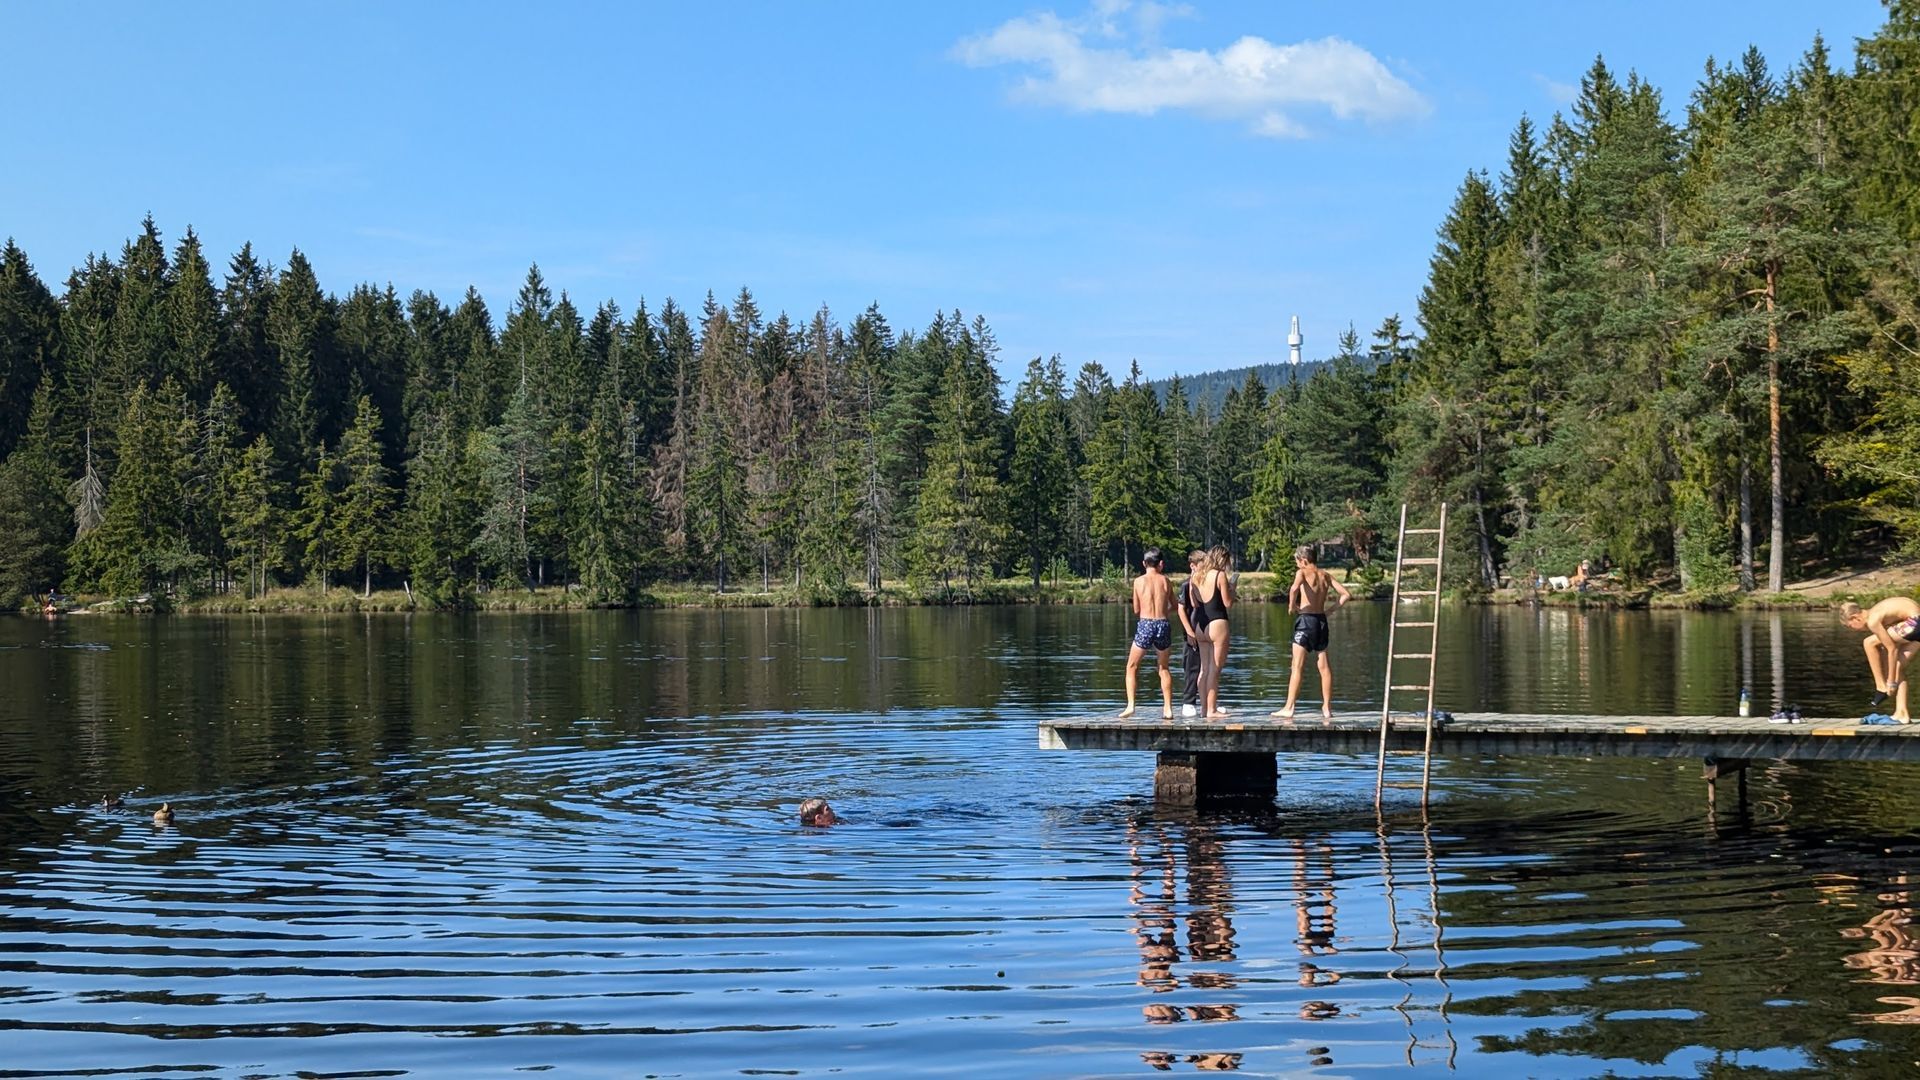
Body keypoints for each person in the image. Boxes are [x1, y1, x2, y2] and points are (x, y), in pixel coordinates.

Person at [1273, 545, 1352, 720]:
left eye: (1297, 561)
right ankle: (1327, 707)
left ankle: (1289, 707)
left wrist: (1292, 606)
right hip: (1321, 622)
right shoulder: (1326, 575)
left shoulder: (1302, 573)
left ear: (1303, 560)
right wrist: (1330, 611)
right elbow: (1346, 594)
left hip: (1306, 621)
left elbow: (1294, 589)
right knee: (1324, 666)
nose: (1296, 564)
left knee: (1297, 666)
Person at [1842, 598, 1920, 721]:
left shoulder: (1873, 620)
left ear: (1855, 618)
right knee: (1896, 667)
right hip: (1914, 624)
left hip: (1915, 622)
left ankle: (1881, 686)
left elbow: (1892, 649)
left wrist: (1890, 681)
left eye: (1851, 626)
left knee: (1869, 643)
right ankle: (1902, 713)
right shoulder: (1877, 612)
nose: (1854, 631)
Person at [1120, 549, 1176, 719]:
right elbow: (1175, 605)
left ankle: (1131, 705)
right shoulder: (1166, 581)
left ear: (1144, 563)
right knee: (1163, 668)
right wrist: (1163, 612)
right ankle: (1168, 708)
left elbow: (1136, 609)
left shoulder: (1138, 582)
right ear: (1161, 564)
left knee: (1132, 666)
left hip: (1146, 624)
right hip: (1163, 624)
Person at [1195, 546, 1235, 719]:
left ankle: (1204, 709)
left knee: (1204, 669)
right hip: (1217, 622)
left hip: (1200, 624)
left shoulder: (1196, 575)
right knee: (1215, 669)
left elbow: (1194, 603)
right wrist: (1232, 589)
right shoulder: (1220, 575)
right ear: (1222, 559)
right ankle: (1212, 710)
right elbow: (1227, 603)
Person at [1174, 550, 1208, 718]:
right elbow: (1181, 609)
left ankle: (1208, 702)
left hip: (1205, 630)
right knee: (1192, 666)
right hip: (1192, 630)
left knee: (1207, 666)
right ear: (1193, 566)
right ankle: (1188, 702)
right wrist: (1189, 631)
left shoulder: (1206, 584)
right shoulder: (1186, 585)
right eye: (1203, 565)